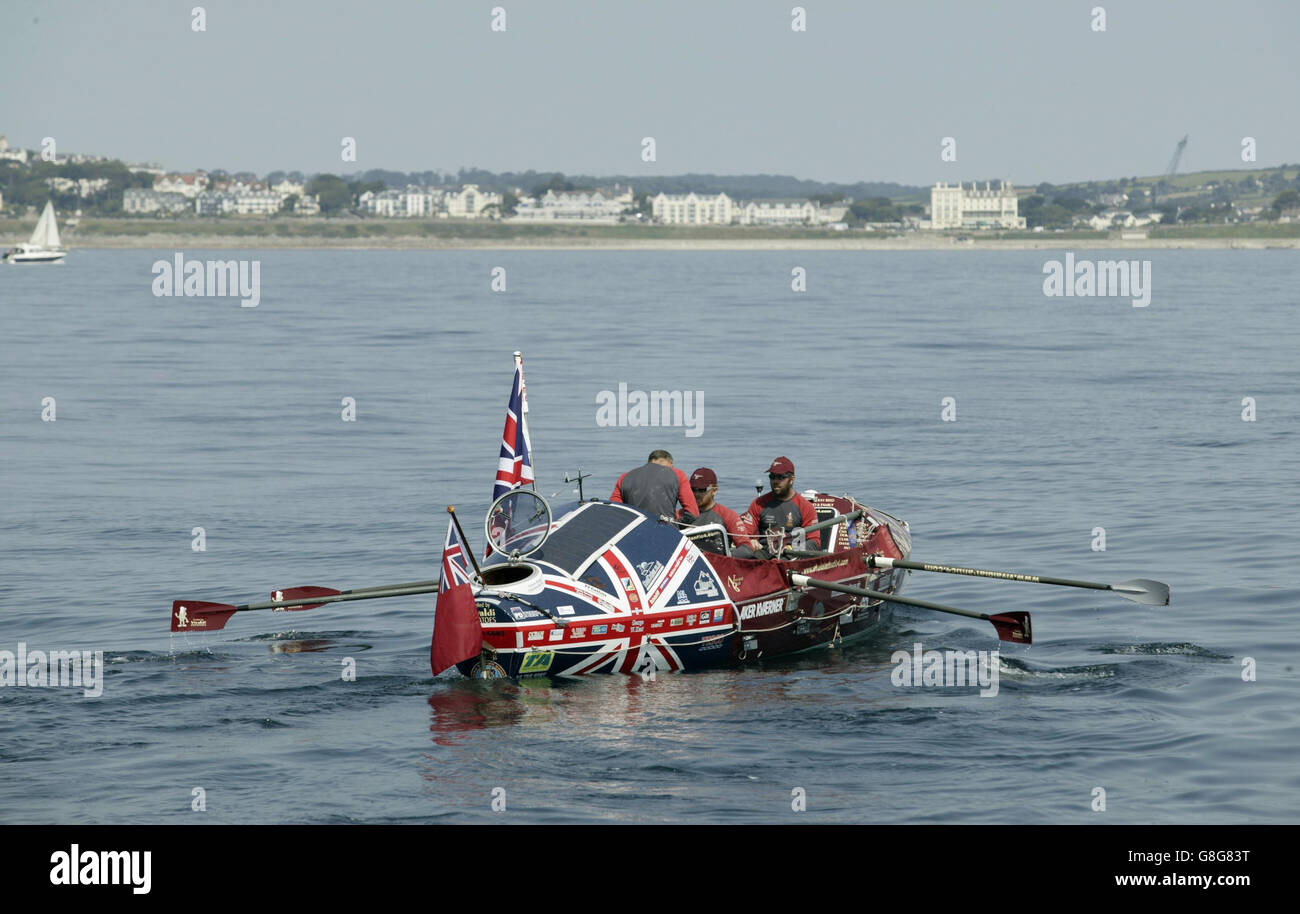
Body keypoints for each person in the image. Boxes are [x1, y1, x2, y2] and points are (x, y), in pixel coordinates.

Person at [732, 456, 820, 558]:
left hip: (791, 555)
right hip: (763, 553)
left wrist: (793, 548)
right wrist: (750, 541)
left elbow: (814, 541)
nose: (775, 481)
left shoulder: (805, 507)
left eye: (781, 477)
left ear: (791, 480)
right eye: (772, 476)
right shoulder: (758, 503)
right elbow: (744, 534)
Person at [610, 450, 699, 519]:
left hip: (634, 529)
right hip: (665, 529)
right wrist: (675, 518)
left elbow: (613, 509)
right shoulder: (677, 474)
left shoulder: (625, 477)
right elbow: (692, 512)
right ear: (670, 464)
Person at [676, 467, 742, 552]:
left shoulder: (727, 515)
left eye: (702, 490)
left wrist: (724, 557)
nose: (696, 494)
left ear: (714, 490)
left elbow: (746, 548)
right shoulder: (679, 515)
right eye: (693, 489)